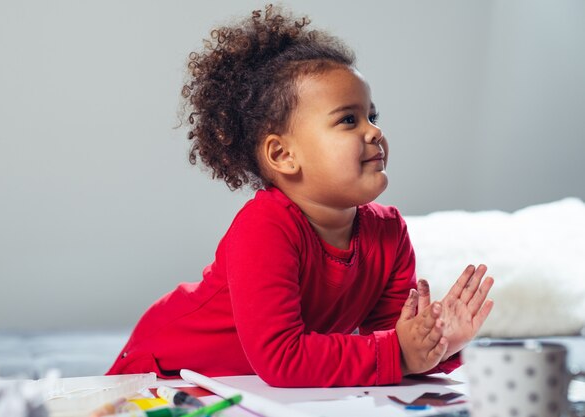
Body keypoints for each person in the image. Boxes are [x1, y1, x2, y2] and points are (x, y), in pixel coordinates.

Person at [107, 4, 494, 387]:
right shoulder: (265, 227)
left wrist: (438, 342)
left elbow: (393, 348)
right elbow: (284, 357)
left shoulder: (388, 232)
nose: (374, 132)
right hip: (163, 370)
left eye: (372, 117)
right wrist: (400, 353)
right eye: (348, 119)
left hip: (250, 389)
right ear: (284, 155)